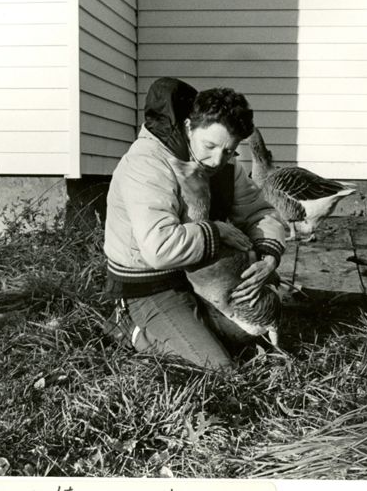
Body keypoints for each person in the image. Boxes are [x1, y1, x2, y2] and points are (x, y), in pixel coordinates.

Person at [103, 77, 287, 370]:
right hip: (150, 285)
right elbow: (159, 248)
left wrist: (268, 257)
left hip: (198, 277)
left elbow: (261, 213)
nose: (217, 160)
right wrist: (214, 230)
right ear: (189, 126)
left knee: (254, 336)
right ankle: (129, 326)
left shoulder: (224, 164)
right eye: (210, 145)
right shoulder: (146, 163)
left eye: (229, 150)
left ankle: (194, 324)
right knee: (218, 369)